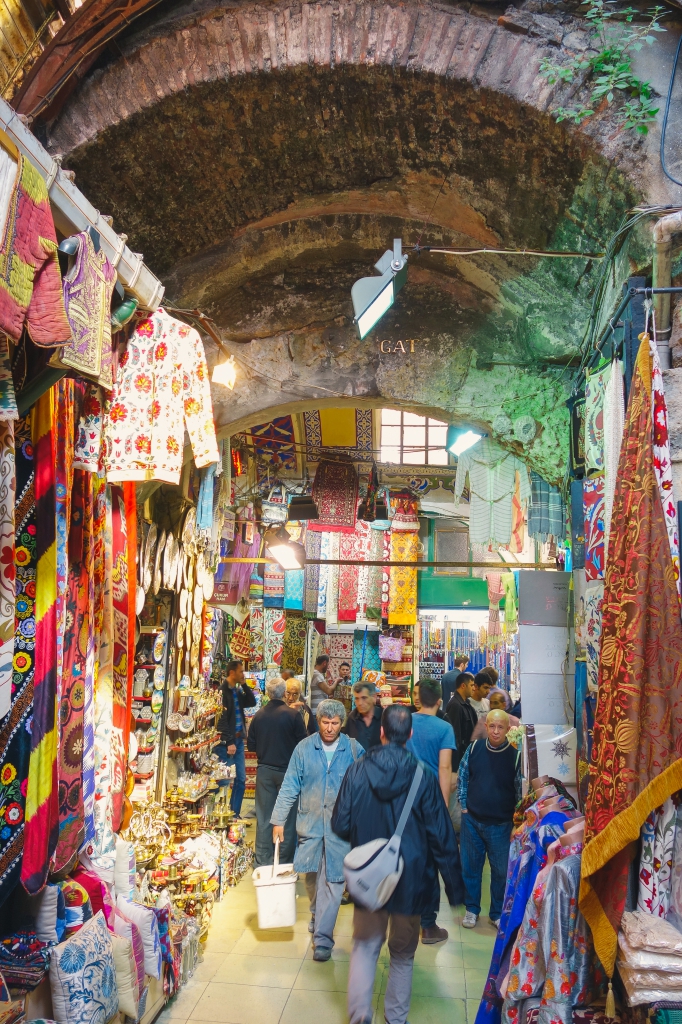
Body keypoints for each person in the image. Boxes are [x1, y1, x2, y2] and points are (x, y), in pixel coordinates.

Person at [332, 704, 464, 1024]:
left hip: (368, 879)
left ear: (381, 732)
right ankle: (396, 1018)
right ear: (410, 735)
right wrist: (456, 889)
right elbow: (441, 837)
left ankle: (360, 1015)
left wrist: (366, 837)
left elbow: (339, 823)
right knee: (403, 956)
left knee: (364, 948)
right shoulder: (424, 775)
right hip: (412, 879)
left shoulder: (358, 769)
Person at [271, 698, 363, 961]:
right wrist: (278, 820)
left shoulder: (354, 750)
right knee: (311, 878)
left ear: (342, 724)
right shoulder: (304, 748)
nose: (330, 728)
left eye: (335, 723)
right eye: (325, 722)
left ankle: (323, 939)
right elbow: (290, 785)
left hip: (340, 831)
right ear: (318, 721)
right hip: (310, 825)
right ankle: (316, 910)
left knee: (334, 882)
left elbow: (368, 786)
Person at [458, 709, 523, 929]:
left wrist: (517, 822)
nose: (495, 731)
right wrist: (464, 805)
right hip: (472, 821)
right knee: (470, 868)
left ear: (507, 729)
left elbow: (518, 792)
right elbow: (463, 775)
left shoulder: (515, 756)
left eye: (500, 727)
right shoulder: (475, 748)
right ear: (486, 727)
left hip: (501, 825)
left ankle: (496, 912)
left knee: (501, 871)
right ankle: (471, 909)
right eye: (492, 726)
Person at [406, 677, 456, 943]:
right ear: (439, 700)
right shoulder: (444, 728)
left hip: (403, 800)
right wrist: (443, 807)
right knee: (429, 863)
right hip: (430, 803)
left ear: (417, 698)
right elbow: (445, 768)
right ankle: (428, 925)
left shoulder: (404, 722)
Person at [247, 676, 306, 866]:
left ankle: (262, 862)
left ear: (268, 693)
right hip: (288, 772)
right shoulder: (292, 715)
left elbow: (251, 746)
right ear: (283, 693)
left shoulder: (259, 715)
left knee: (264, 817)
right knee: (287, 820)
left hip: (265, 770)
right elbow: (303, 745)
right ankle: (285, 862)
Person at [216, 659, 256, 818]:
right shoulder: (222, 691)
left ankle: (234, 813)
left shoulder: (236, 691)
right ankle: (221, 814)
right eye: (240, 671)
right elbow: (222, 718)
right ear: (232, 672)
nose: (243, 674)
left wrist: (245, 685)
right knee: (225, 780)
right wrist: (229, 741)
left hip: (238, 741)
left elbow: (251, 702)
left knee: (240, 779)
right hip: (229, 743)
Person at [445, 672, 478, 771]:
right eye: (472, 685)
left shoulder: (465, 704)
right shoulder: (456, 705)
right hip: (460, 759)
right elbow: (455, 736)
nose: (474, 688)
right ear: (463, 685)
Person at [343, 679, 382, 750]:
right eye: (357, 698)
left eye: (364, 698)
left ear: (374, 697)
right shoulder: (352, 718)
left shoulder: (384, 717)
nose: (360, 703)